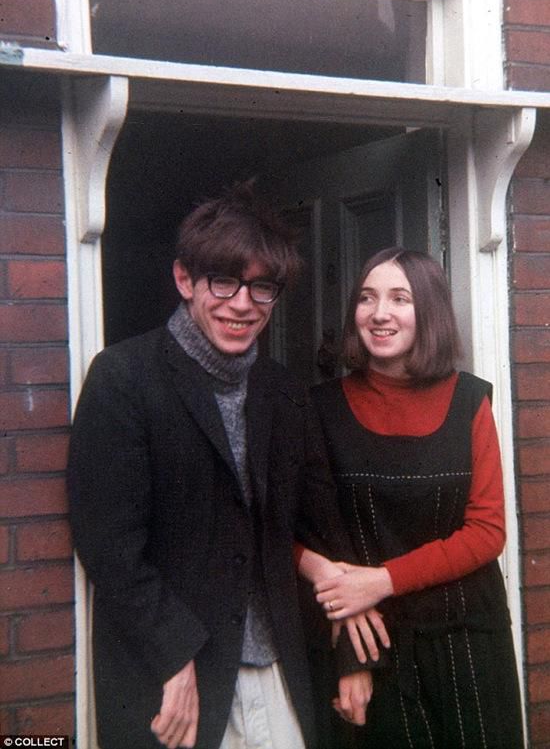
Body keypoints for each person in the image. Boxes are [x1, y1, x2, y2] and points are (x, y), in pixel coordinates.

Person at [67, 184, 386, 749]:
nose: (242, 304)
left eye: (262, 287)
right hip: (175, 680)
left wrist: (349, 656)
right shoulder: (123, 378)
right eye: (223, 281)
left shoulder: (284, 391)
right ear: (184, 280)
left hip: (280, 672)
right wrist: (173, 653)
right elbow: (109, 548)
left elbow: (321, 527)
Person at [296, 247, 524, 748]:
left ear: (430, 312)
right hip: (373, 645)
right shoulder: (318, 408)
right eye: (367, 298)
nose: (380, 313)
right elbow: (295, 534)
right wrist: (349, 648)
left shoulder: (470, 401)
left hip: (468, 639)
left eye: (400, 298)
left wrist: (382, 580)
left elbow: (487, 533)